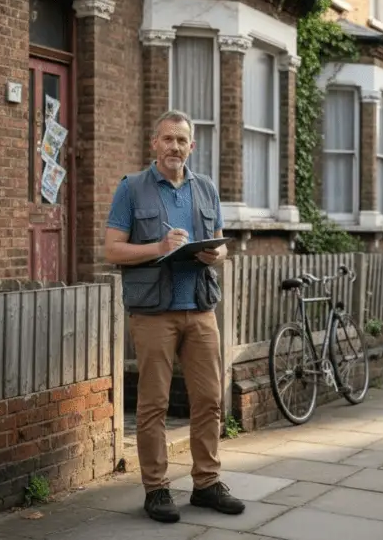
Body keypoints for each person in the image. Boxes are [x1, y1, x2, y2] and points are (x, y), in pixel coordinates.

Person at [104, 110, 244, 523]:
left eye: (182, 141)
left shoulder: (206, 188)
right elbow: (113, 249)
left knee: (208, 400)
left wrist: (215, 253)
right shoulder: (132, 188)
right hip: (154, 313)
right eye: (168, 139)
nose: (174, 148)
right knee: (153, 405)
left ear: (191, 147)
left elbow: (222, 249)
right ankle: (157, 488)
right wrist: (159, 246)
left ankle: (206, 483)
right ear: (155, 143)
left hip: (200, 309)